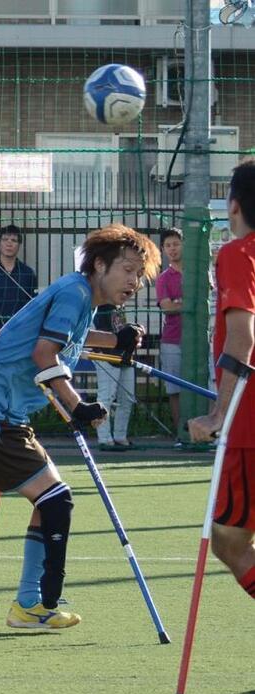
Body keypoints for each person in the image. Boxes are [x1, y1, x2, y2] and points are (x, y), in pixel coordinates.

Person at [0, 224, 160, 629]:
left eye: (140, 274)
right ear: (100, 264)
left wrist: (114, 341)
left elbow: (68, 343)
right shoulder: (74, 292)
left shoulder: (80, 295)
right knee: (56, 501)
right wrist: (77, 406)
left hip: (3, 415)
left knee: (51, 502)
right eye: (128, 270)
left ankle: (30, 604)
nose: (134, 281)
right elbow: (44, 351)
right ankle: (39, 599)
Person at [188, 160, 255, 602]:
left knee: (229, 537)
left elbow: (241, 336)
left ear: (232, 206)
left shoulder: (238, 254)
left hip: (250, 423)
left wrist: (217, 415)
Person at [92, 304, 136, 451]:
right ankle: (104, 438)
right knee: (106, 395)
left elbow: (120, 326)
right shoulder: (102, 304)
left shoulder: (119, 302)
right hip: (105, 354)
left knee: (127, 396)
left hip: (123, 353)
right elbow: (101, 331)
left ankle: (120, 436)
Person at [155, 227, 184, 447]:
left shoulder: (199, 273)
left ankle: (207, 433)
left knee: (205, 386)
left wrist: (178, 303)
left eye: (176, 243)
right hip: (172, 340)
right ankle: (180, 435)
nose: (172, 249)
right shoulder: (163, 278)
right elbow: (166, 307)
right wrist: (184, 304)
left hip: (201, 340)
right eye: (168, 245)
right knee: (175, 391)